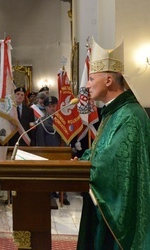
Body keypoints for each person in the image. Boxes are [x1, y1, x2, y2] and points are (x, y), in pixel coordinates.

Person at [76, 39, 150, 249]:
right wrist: (82, 160)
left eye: (91, 79)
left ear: (108, 80)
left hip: (121, 214)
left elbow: (117, 165)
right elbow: (102, 150)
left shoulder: (130, 115)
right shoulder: (113, 112)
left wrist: (84, 167)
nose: (87, 85)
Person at [35, 96, 70, 206]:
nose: (52, 108)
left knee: (62, 174)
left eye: (54, 106)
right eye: (49, 107)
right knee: (49, 174)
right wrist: (43, 154)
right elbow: (40, 140)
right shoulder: (42, 121)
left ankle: (62, 194)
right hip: (48, 152)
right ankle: (49, 193)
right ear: (45, 108)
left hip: (60, 152)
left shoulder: (62, 120)